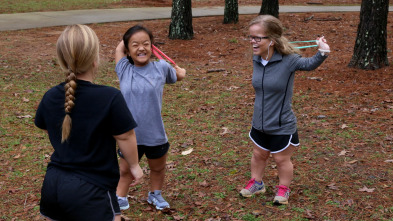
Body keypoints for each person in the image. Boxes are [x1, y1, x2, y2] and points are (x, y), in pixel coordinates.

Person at [34, 24, 143, 221]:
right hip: (92, 189)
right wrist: (134, 165)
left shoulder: (50, 96)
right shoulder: (110, 97)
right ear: (95, 59)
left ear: (61, 60)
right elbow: (125, 135)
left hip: (53, 185)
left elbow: (46, 127)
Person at [239, 15, 330, 205]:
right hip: (259, 121)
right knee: (258, 154)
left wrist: (322, 52)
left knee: (281, 159)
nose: (252, 41)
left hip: (281, 123)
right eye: (251, 37)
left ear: (271, 40)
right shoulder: (256, 58)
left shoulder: (289, 60)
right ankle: (257, 183)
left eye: (257, 37)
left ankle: (283, 189)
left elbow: (309, 64)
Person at [115, 25, 186, 211]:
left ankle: (155, 194)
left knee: (157, 168)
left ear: (152, 48)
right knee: (124, 170)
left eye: (146, 44)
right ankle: (120, 197)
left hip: (155, 132)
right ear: (128, 50)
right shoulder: (123, 69)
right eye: (135, 45)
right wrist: (131, 37)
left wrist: (181, 74)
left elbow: (176, 76)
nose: (141, 48)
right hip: (130, 134)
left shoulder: (161, 67)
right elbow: (118, 48)